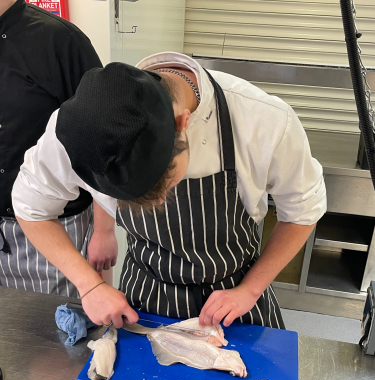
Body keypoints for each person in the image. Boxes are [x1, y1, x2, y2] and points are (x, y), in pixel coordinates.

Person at [12, 52, 327, 328]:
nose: (161, 204)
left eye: (164, 186)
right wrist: (89, 285)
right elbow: (31, 209)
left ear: (182, 123)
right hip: (147, 289)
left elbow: (302, 212)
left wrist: (251, 290)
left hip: (238, 290)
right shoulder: (70, 132)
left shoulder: (264, 121)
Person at [0, 0, 107, 296]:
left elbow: (100, 139)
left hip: (55, 226)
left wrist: (104, 229)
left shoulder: (62, 41)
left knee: (60, 334)